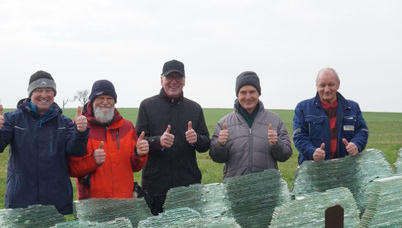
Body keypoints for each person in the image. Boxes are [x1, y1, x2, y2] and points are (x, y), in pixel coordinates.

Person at [0, 70, 89, 215]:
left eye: (48, 91)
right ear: (30, 94)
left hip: (55, 200)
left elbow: (76, 150)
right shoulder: (13, 120)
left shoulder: (64, 123)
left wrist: (81, 132)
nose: (44, 95)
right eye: (39, 90)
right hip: (21, 199)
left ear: (54, 94)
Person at [136, 59, 210, 214]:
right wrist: (158, 141)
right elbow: (138, 141)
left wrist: (197, 139)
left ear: (184, 81)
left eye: (178, 78)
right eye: (170, 77)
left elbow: (206, 144)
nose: (174, 82)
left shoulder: (195, 108)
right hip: (155, 186)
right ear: (161, 79)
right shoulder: (147, 106)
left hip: (188, 186)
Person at [68, 80, 149, 199]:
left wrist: (139, 154)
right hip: (93, 206)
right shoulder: (81, 127)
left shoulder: (127, 127)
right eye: (100, 98)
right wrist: (93, 161)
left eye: (109, 98)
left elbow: (135, 167)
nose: (105, 102)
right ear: (92, 101)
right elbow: (72, 169)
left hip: (125, 202)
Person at [209, 71, 292, 178]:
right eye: (243, 92)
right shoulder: (224, 124)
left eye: (252, 92)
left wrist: (277, 144)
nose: (248, 97)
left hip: (267, 188)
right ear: (237, 95)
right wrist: (220, 145)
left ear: (258, 93)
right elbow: (216, 158)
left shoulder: (275, 121)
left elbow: (285, 156)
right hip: (235, 188)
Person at [293, 68, 369, 164]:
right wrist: (312, 152)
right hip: (314, 170)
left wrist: (356, 145)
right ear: (316, 86)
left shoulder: (353, 107)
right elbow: (299, 136)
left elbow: (362, 131)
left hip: (346, 168)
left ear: (338, 84)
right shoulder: (303, 108)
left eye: (331, 84)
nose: (327, 89)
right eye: (322, 85)